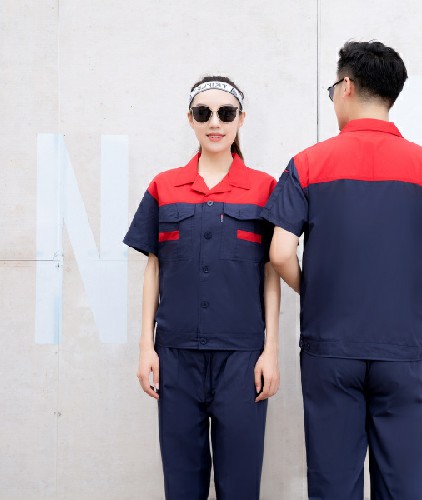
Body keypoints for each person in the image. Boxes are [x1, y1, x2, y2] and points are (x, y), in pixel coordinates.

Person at [262, 41, 422, 500]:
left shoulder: (307, 164)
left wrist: (314, 291)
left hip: (329, 350)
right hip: (404, 352)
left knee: (333, 485)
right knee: (402, 486)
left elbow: (280, 253)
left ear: (347, 87)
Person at [124, 76, 280, 500]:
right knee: (181, 485)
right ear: (190, 119)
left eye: (226, 113)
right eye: (203, 113)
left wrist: (270, 351)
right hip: (175, 356)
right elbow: (153, 268)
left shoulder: (264, 188)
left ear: (241, 120)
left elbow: (271, 273)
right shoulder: (164, 186)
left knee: (241, 485)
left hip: (242, 357)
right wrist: (146, 347)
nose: (215, 122)